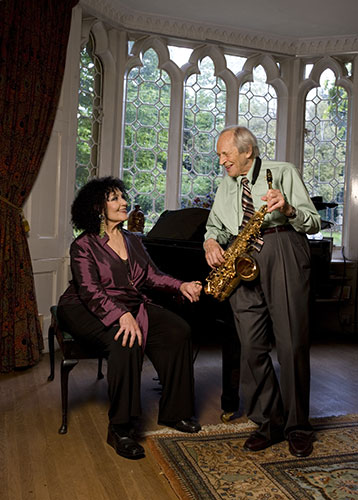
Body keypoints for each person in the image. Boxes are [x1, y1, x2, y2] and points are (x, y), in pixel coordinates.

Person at [57, 177, 202, 460]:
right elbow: (89, 291)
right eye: (115, 199)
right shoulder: (83, 245)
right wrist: (120, 314)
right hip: (83, 307)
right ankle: (121, 429)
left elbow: (151, 275)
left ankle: (175, 413)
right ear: (98, 207)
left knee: (178, 330)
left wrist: (180, 285)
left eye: (123, 197)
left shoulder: (133, 240)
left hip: (129, 304)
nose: (124, 203)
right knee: (125, 341)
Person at [204, 126, 321, 457]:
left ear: (247, 152)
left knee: (291, 342)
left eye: (226, 153)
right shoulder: (225, 186)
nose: (221, 160)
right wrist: (210, 241)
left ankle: (298, 426)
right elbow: (213, 225)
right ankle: (270, 421)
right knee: (251, 347)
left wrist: (287, 209)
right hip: (241, 259)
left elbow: (312, 221)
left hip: (281, 247)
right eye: (219, 154)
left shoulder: (283, 172)